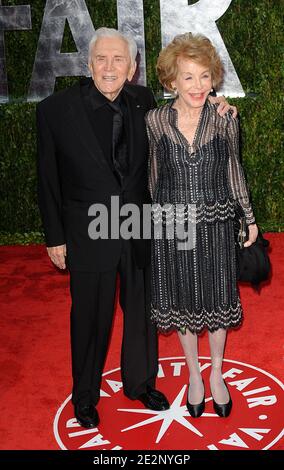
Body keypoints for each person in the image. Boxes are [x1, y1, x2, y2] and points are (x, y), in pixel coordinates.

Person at [36, 27, 237, 428]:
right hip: (89, 229)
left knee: (142, 312)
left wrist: (218, 103)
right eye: (101, 59)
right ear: (87, 63)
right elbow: (47, 179)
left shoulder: (143, 102)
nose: (109, 67)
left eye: (118, 60)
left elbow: (188, 102)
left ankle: (141, 383)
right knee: (90, 317)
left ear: (132, 69)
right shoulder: (55, 110)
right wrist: (55, 236)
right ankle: (86, 396)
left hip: (141, 224)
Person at [146, 33, 258, 418]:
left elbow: (234, 169)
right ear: (171, 81)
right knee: (183, 302)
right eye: (188, 77)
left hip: (217, 222)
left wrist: (249, 217)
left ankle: (216, 375)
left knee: (217, 300)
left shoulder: (225, 117)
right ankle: (194, 375)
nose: (198, 86)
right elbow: (153, 177)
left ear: (214, 79)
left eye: (205, 76)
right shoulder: (156, 120)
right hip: (173, 225)